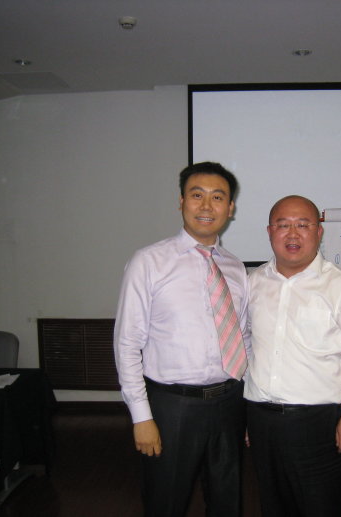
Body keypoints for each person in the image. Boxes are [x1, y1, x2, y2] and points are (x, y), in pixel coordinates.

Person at [113, 162, 250, 517]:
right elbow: (127, 344)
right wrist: (141, 417)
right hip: (172, 407)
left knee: (227, 500)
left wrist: (248, 407)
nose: (206, 206)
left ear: (230, 208)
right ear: (181, 202)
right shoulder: (149, 262)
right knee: (166, 501)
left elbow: (243, 337)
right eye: (197, 195)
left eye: (217, 197)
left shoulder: (235, 267)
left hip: (230, 402)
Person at [244, 195, 341, 517]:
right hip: (262, 418)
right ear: (269, 232)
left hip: (320, 422)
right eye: (283, 225)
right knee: (273, 506)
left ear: (319, 232)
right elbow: (248, 348)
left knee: (322, 506)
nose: (292, 234)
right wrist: (248, 418)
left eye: (303, 225)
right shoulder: (252, 283)